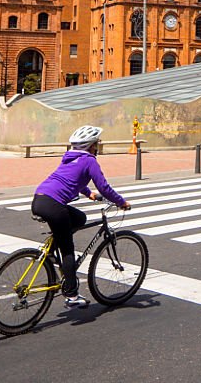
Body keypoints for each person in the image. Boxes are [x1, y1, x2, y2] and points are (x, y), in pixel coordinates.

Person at [31, 125, 130, 309]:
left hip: (39, 199)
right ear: (91, 146)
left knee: (79, 218)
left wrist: (87, 193)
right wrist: (121, 202)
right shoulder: (89, 161)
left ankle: (53, 251)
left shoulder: (69, 157)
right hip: (54, 205)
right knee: (68, 250)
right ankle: (71, 295)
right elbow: (104, 188)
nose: (97, 146)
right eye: (96, 144)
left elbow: (71, 179)